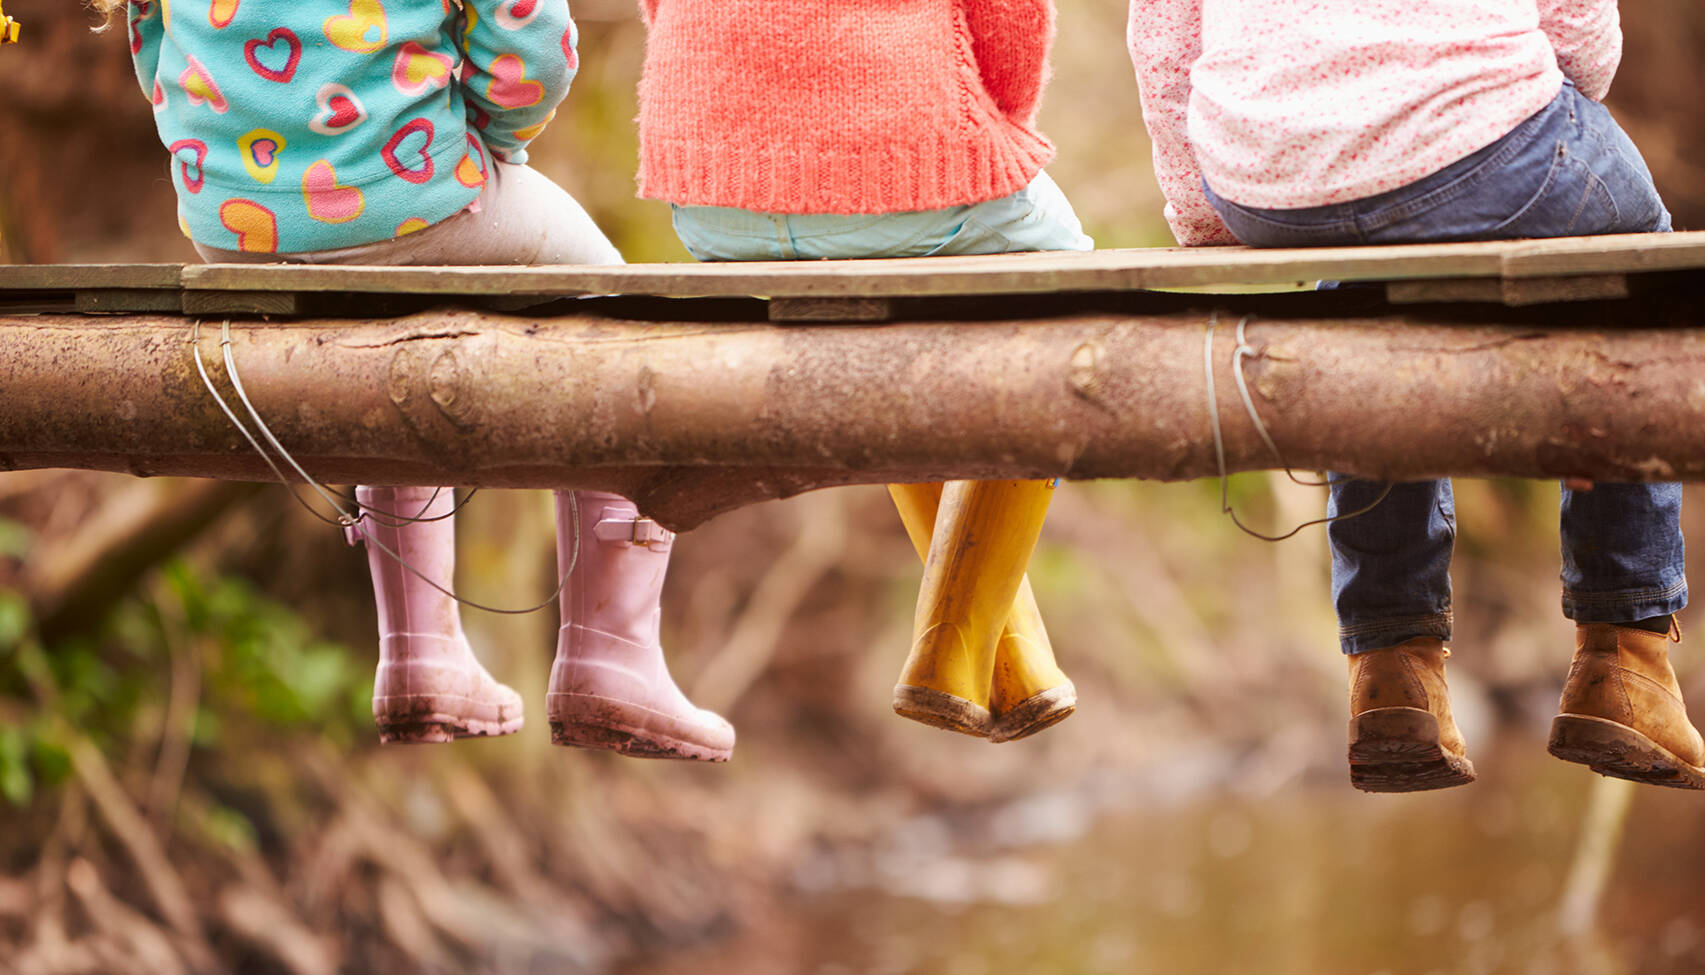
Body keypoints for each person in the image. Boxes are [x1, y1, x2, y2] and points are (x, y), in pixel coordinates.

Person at [106, 0, 733, 761]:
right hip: (412, 194)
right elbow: (530, 50)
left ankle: (419, 653)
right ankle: (612, 656)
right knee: (621, 311)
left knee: (392, 308)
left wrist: (222, 150)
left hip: (234, 223)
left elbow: (149, 39)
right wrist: (485, 151)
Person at [1130, 0, 1705, 790]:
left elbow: (1163, 38)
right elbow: (1579, 32)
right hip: (1479, 133)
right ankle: (1624, 654)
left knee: (1365, 280)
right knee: (1640, 261)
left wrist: (1202, 208)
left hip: (1269, 170)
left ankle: (1392, 667)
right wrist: (1500, 94)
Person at [635, 0, 1093, 743]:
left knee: (883, 307)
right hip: (895, 164)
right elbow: (1013, 15)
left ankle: (1011, 656)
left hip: (715, 199)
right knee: (1074, 279)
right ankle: (951, 640)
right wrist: (991, 128)